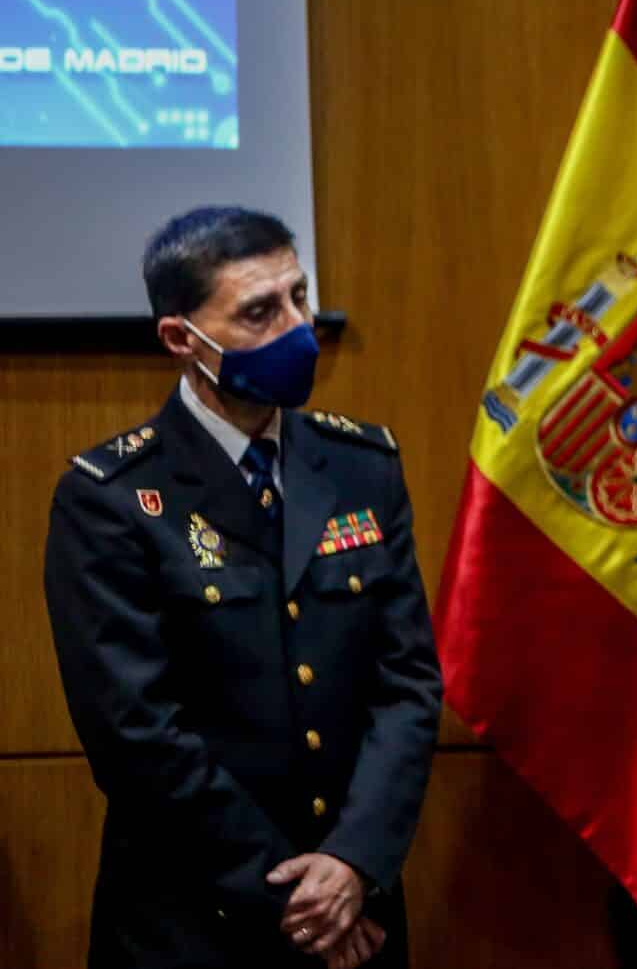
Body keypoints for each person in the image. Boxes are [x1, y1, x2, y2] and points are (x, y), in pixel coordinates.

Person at [43, 207, 442, 967]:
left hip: (359, 910)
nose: (299, 327)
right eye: (261, 312)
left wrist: (354, 863)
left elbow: (408, 683)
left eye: (300, 296)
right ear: (180, 340)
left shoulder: (361, 465)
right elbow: (136, 736)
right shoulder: (113, 497)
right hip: (195, 925)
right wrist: (301, 901)